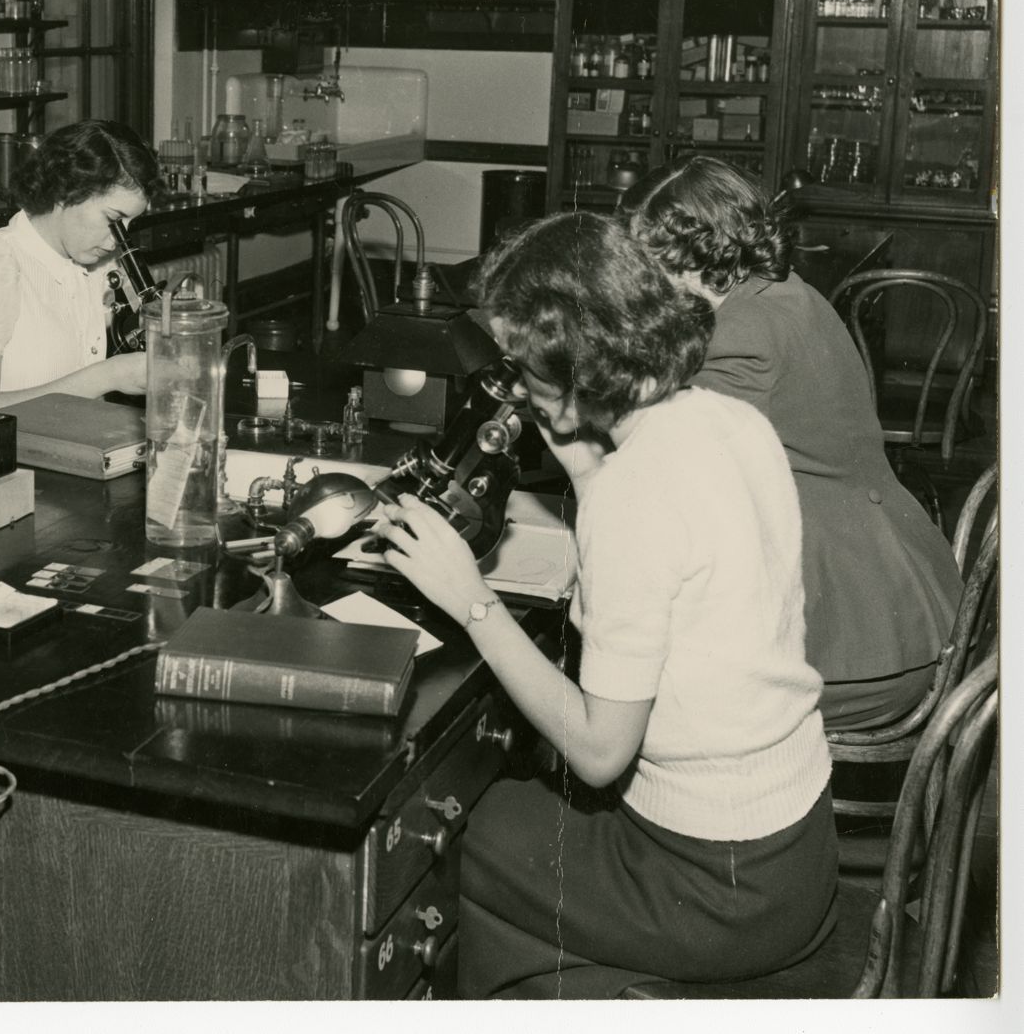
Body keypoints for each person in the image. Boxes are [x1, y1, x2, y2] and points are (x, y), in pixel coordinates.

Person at [373, 213, 837, 997]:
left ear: (576, 359)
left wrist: (471, 598)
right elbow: (690, 594)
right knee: (507, 817)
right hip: (794, 847)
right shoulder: (731, 419)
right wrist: (589, 474)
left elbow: (598, 751)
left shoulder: (636, 492)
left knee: (436, 832)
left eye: (523, 363)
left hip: (717, 885)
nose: (515, 382)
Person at [619, 155, 962, 731]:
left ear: (704, 253)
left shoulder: (743, 334)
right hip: (896, 598)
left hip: (859, 648)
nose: (645, 284)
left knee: (647, 693)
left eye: (652, 265)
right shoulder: (783, 292)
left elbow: (668, 460)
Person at [0, 119, 165, 411]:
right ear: (65, 192)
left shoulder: (95, 263)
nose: (119, 239)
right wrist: (110, 376)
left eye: (130, 224)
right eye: (113, 220)